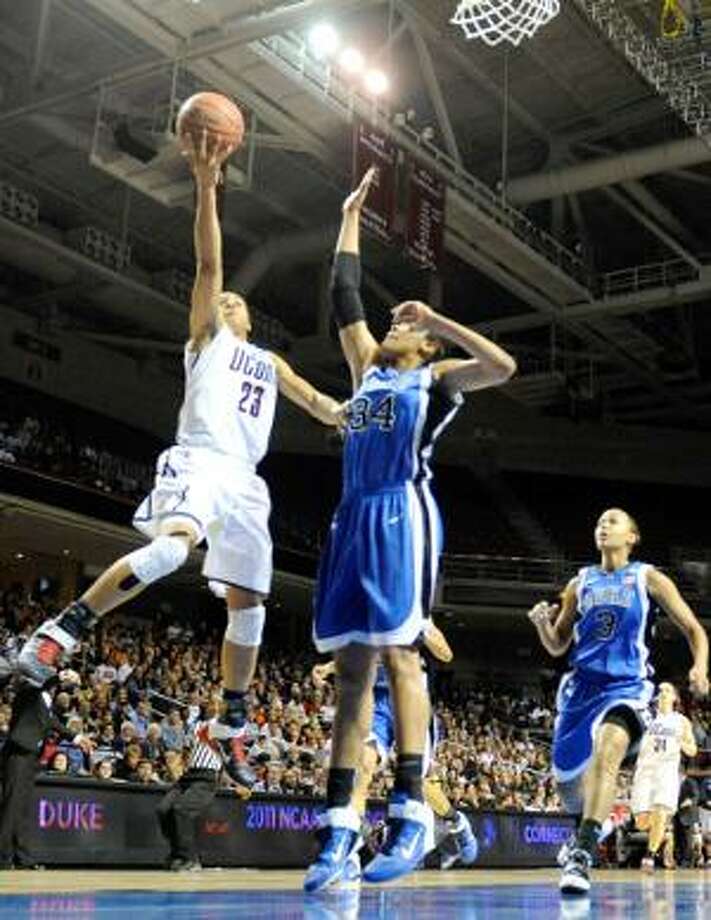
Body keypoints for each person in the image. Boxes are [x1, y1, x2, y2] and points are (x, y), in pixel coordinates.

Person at [17, 132, 343, 781]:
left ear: (251, 318)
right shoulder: (207, 340)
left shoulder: (268, 360)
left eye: (235, 303)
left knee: (249, 603)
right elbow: (209, 267)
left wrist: (357, 412)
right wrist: (205, 184)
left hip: (247, 483)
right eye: (221, 301)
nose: (226, 301)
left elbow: (323, 406)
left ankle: (232, 717)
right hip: (200, 460)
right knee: (172, 550)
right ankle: (62, 629)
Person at [304, 167, 516, 892]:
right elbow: (342, 294)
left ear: (422, 346)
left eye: (405, 327)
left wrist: (437, 321)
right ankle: (337, 832)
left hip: (401, 511)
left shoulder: (434, 380)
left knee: (401, 657)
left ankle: (412, 814)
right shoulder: (365, 369)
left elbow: (503, 365)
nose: (393, 325)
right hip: (350, 516)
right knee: (353, 678)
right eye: (394, 322)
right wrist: (349, 215)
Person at [528, 507, 709, 896]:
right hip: (580, 691)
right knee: (567, 786)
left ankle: (582, 855)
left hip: (627, 687)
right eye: (599, 522)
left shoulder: (647, 577)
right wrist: (543, 624)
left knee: (608, 750)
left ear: (632, 536)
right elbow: (559, 644)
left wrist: (700, 668)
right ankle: (591, 825)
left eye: (613, 520)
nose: (603, 525)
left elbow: (695, 629)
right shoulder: (580, 583)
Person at [311, 621, 478, 881]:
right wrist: (329, 667)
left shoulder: (414, 612)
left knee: (420, 783)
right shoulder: (368, 616)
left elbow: (446, 653)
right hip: (376, 703)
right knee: (363, 767)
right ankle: (349, 846)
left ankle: (456, 822)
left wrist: (421, 631)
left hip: (410, 699)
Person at [0, 670, 89, 869]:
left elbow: (51, 722)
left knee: (21, 809)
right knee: (11, 806)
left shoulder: (46, 702)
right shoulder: (29, 692)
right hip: (17, 755)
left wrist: (76, 737)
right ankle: (3, 857)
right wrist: (61, 675)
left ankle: (21, 857)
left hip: (30, 757)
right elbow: (41, 683)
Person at [156, 716, 249, 871]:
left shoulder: (225, 730)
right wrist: (176, 766)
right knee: (163, 809)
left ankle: (190, 859)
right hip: (188, 775)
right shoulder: (194, 725)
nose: (211, 703)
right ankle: (177, 854)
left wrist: (238, 783)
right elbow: (185, 751)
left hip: (207, 778)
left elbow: (229, 763)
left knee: (181, 809)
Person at [630, 682, 697, 871]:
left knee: (660, 811)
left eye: (667, 690)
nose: (662, 693)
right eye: (660, 691)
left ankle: (649, 857)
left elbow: (692, 750)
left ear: (674, 697)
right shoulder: (645, 717)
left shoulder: (681, 721)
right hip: (644, 771)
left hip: (666, 771)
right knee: (642, 822)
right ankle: (664, 836)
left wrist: (683, 743)